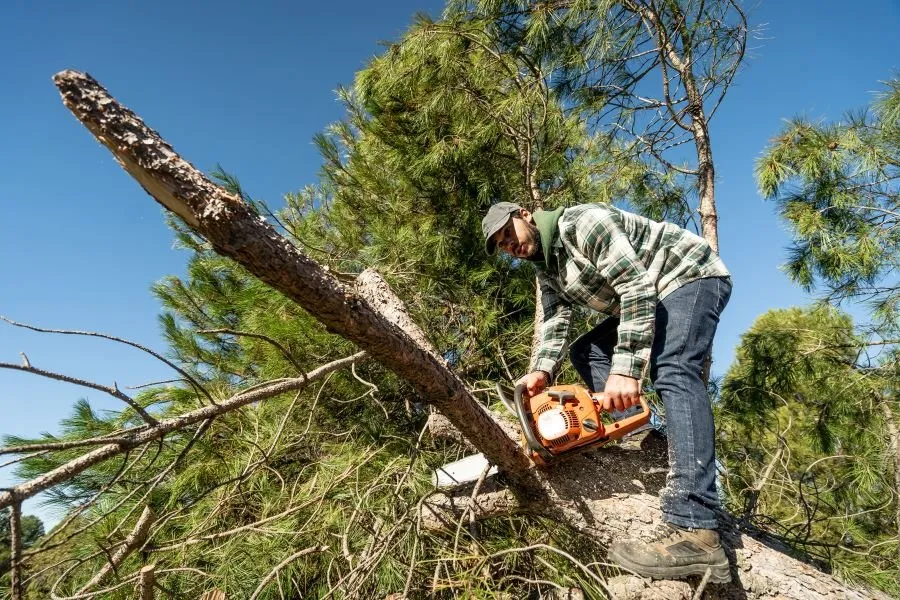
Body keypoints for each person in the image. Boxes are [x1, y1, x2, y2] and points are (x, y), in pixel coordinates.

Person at [482, 201, 733, 583]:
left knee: (674, 370)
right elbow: (555, 321)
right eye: (502, 245)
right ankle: (640, 435)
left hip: (688, 276)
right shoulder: (545, 268)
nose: (510, 246)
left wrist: (626, 370)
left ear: (524, 214)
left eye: (508, 234)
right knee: (588, 350)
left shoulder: (583, 222)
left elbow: (634, 285)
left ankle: (696, 526)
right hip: (653, 295)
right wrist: (540, 371)